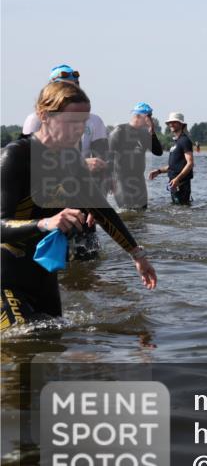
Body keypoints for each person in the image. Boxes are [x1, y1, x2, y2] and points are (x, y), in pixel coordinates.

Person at [1, 82, 156, 329]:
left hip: (43, 272)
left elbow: (101, 209)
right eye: (72, 121)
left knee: (54, 343)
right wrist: (45, 223)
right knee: (24, 342)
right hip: (6, 275)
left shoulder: (71, 159)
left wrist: (136, 254)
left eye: (83, 123)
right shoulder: (16, 156)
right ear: (44, 116)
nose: (80, 130)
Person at [23, 65, 109, 260]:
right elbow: (30, 166)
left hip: (82, 199)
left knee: (87, 261)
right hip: (47, 202)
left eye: (74, 87)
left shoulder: (94, 121)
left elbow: (104, 166)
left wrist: (98, 207)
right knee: (48, 261)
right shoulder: (35, 120)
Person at [108, 102, 163, 210]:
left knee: (142, 212)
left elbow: (158, 152)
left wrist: (152, 132)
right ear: (138, 116)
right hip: (121, 180)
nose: (151, 119)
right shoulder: (119, 131)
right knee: (127, 211)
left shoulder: (145, 133)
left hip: (139, 180)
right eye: (148, 116)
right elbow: (108, 157)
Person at [149, 112, 194, 205]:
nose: (171, 124)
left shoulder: (185, 140)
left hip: (181, 184)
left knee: (182, 211)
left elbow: (190, 163)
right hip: (174, 184)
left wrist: (177, 179)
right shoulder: (176, 142)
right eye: (170, 122)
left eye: (174, 122)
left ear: (181, 124)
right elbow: (173, 166)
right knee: (177, 212)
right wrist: (159, 171)